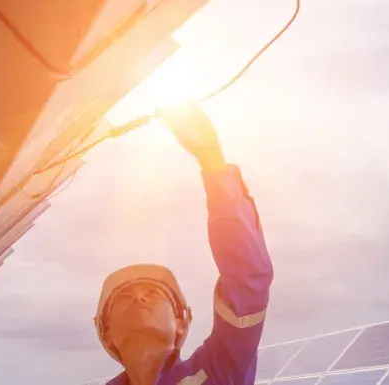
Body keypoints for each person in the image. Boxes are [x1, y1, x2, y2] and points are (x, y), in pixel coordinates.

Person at [95, 103, 274, 385]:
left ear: (181, 323)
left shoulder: (217, 371)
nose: (139, 299)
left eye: (153, 294)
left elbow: (247, 280)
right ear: (106, 332)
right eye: (125, 298)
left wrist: (212, 163)